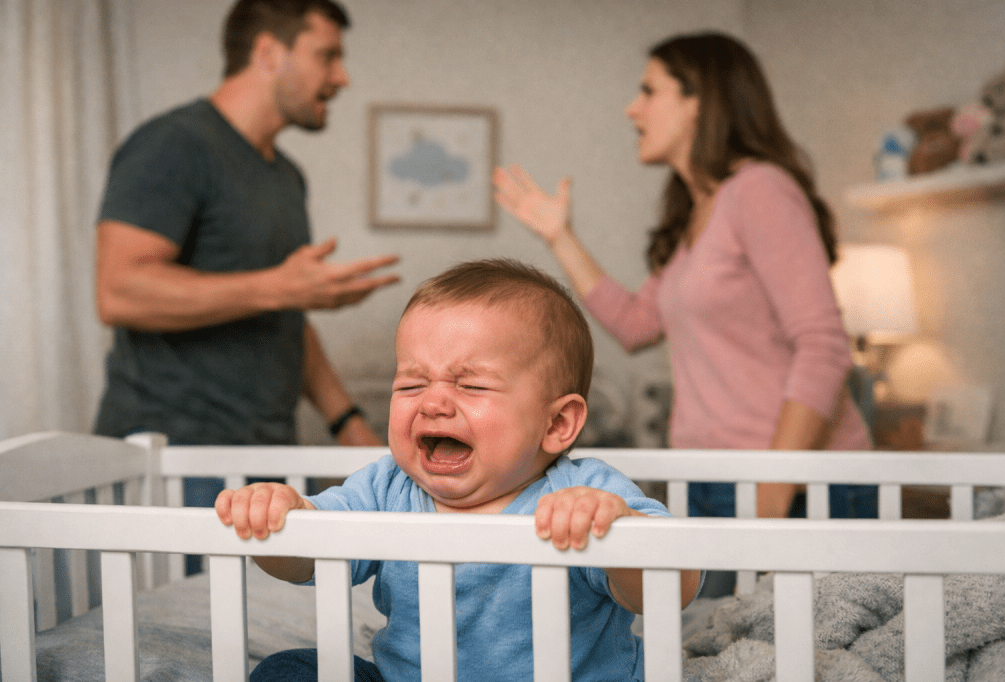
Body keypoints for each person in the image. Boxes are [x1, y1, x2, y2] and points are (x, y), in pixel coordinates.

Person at [217, 259, 704, 682]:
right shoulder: (387, 487)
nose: (431, 402)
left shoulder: (584, 491)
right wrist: (278, 522)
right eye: (410, 384)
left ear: (556, 423)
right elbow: (307, 562)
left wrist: (614, 532)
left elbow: (673, 587)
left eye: (470, 385)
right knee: (289, 672)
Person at [493, 33, 873, 527]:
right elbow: (635, 325)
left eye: (649, 91)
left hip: (795, 486)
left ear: (700, 101)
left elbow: (823, 345)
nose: (633, 109)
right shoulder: (695, 215)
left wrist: (776, 487)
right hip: (711, 478)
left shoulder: (760, 191)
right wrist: (559, 236)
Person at [93, 0, 399, 528]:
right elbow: (119, 290)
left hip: (266, 458)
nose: (342, 77)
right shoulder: (174, 145)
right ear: (267, 52)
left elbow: (282, 314)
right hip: (174, 458)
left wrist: (348, 423)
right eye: (327, 56)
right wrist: (281, 288)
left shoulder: (286, 176)